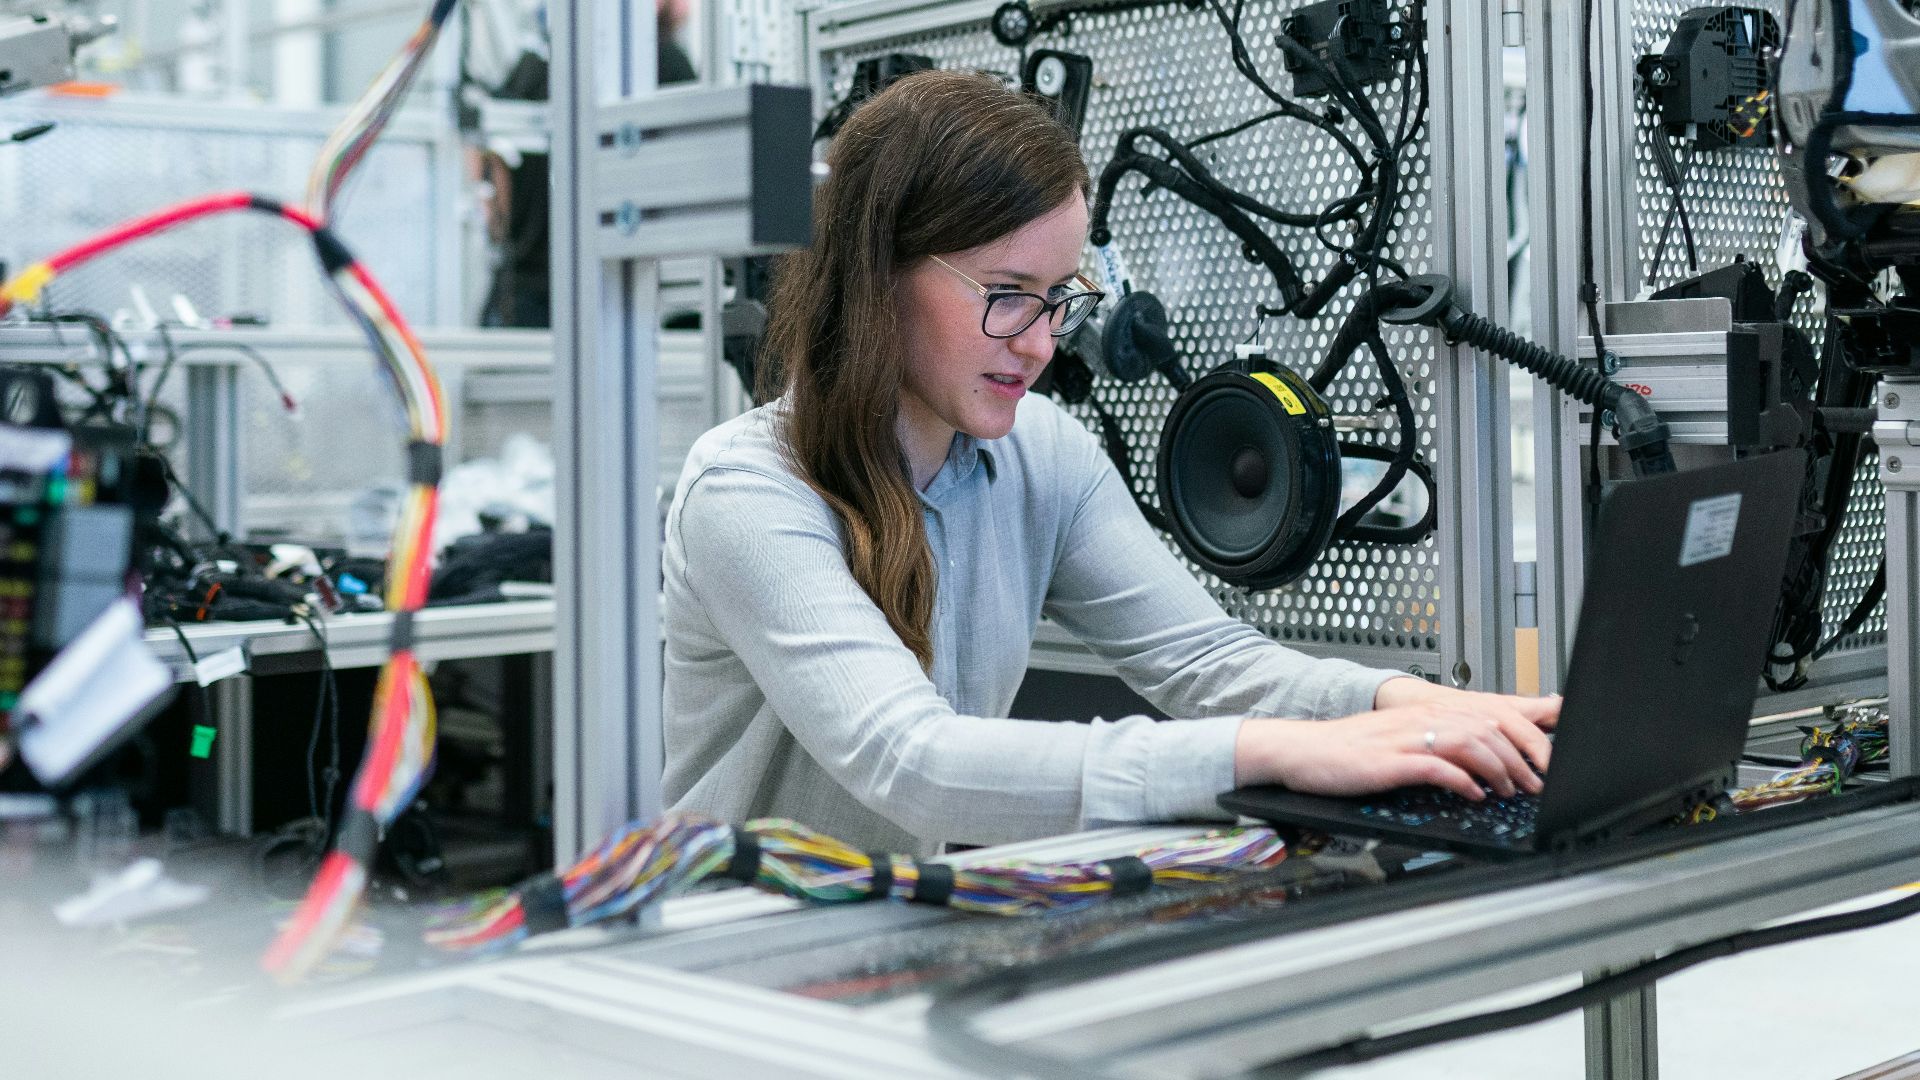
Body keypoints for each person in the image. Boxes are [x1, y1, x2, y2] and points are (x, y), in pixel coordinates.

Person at [661, 70, 1558, 856]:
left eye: (1059, 300)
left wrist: (1411, 706)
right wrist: (1269, 753)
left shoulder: (1041, 455)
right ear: (878, 274)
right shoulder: (750, 489)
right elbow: (913, 763)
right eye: (1008, 296)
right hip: (733, 974)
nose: (1042, 344)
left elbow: (1210, 661)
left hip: (887, 937)